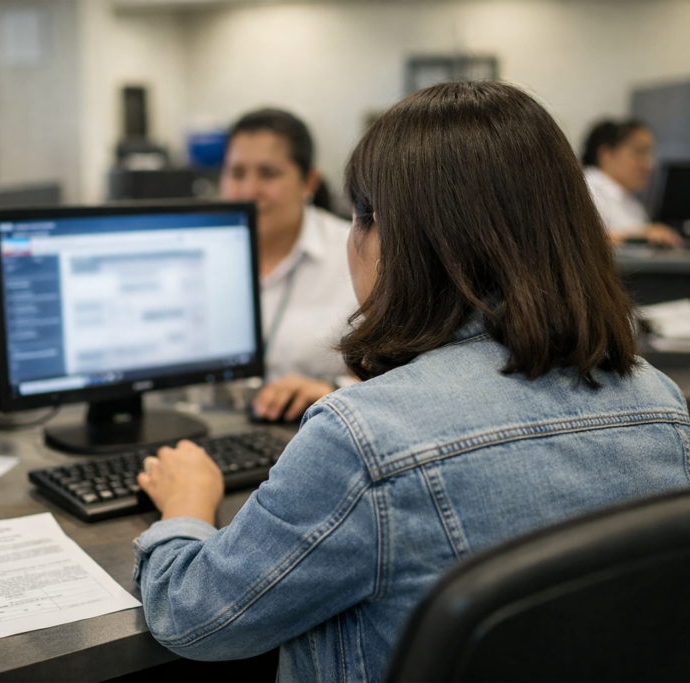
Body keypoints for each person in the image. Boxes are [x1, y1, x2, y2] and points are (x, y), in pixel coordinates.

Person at [132, 82, 690, 683]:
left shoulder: (363, 440)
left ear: (387, 237)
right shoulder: (663, 405)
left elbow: (196, 617)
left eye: (359, 218)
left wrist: (187, 504)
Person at [220, 108, 359, 422]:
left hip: (318, 428)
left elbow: (402, 373)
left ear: (309, 181)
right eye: (237, 173)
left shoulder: (356, 254)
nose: (248, 191)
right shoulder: (203, 254)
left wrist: (334, 389)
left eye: (268, 174)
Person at [582, 119, 684, 248]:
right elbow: (580, 239)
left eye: (650, 154)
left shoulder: (631, 203)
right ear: (606, 154)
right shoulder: (585, 189)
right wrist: (644, 235)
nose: (649, 164)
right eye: (639, 152)